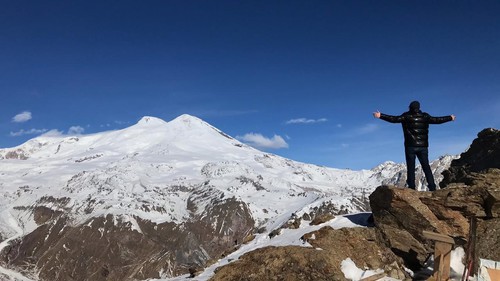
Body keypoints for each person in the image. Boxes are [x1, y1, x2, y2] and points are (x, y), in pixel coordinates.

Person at [373, 101, 455, 191]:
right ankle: (432, 187)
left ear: (409, 107)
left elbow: (394, 119)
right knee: (426, 167)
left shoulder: (406, 116)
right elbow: (437, 120)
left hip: (410, 146)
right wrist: (450, 118)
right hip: (423, 146)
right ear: (419, 108)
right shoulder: (425, 116)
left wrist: (380, 115)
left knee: (410, 167)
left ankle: (411, 188)